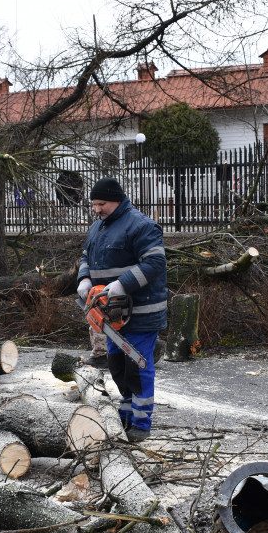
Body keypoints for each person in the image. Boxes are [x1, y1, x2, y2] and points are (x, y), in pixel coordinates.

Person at [77, 177, 167, 442]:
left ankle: (141, 421)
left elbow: (154, 263)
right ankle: (126, 413)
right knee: (117, 365)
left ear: (116, 199)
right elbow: (85, 256)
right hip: (112, 315)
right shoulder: (98, 228)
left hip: (140, 312)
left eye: (101, 204)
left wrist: (122, 284)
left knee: (137, 366)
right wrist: (84, 278)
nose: (96, 209)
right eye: (93, 204)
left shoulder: (141, 226)